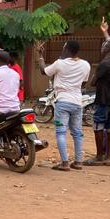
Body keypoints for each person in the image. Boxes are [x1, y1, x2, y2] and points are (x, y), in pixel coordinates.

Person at [37, 40, 91, 171]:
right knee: (77, 133)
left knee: (61, 132)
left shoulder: (60, 63)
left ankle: (65, 162)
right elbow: (83, 84)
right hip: (77, 102)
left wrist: (40, 56)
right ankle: (78, 162)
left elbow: (44, 71)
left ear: (66, 49)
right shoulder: (86, 65)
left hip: (62, 102)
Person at [85, 40, 110, 166]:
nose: (102, 47)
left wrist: (95, 75)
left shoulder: (104, 64)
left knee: (98, 125)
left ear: (108, 49)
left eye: (104, 46)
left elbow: (92, 82)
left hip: (103, 98)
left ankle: (99, 156)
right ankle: (107, 157)